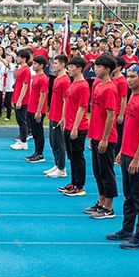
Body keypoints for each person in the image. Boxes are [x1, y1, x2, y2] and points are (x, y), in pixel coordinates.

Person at [108, 64, 139, 249]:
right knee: (129, 195)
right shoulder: (133, 96)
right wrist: (122, 151)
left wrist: (137, 157)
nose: (129, 80)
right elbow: (130, 128)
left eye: (133, 76)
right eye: (128, 76)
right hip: (127, 153)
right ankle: (127, 229)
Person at [86, 54, 119, 218]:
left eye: (98, 66)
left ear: (107, 69)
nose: (95, 69)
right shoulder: (98, 85)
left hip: (106, 137)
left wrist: (105, 138)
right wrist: (93, 135)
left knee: (106, 172)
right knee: (98, 171)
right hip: (96, 134)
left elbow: (111, 115)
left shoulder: (110, 88)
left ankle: (109, 207)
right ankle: (101, 202)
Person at [59, 56, 89, 197]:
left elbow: (82, 108)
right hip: (69, 125)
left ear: (79, 69)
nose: (68, 69)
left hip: (78, 126)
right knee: (72, 156)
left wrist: (75, 127)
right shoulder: (73, 83)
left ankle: (79, 186)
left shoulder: (83, 85)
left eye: (71, 67)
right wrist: (64, 119)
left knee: (78, 156)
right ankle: (73, 182)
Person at [43, 54, 69, 179]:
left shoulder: (65, 80)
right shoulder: (57, 78)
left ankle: (62, 168)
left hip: (59, 116)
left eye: (56, 63)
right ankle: (57, 164)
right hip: (53, 113)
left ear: (63, 64)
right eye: (53, 63)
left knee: (59, 143)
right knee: (53, 142)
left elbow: (66, 100)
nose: (54, 65)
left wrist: (63, 117)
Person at [25, 55, 48, 163]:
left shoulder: (43, 78)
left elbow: (43, 95)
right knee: (34, 131)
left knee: (38, 132)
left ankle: (40, 154)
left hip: (37, 110)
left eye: (35, 64)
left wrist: (39, 111)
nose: (33, 66)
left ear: (41, 65)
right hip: (31, 107)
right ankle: (36, 152)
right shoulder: (35, 77)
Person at [10, 48, 31, 150]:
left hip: (22, 99)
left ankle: (24, 142)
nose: (17, 58)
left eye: (18, 57)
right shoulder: (21, 68)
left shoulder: (26, 70)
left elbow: (25, 85)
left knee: (22, 120)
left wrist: (20, 100)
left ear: (23, 58)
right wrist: (16, 67)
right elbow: (15, 76)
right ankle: (22, 140)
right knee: (19, 120)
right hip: (16, 95)